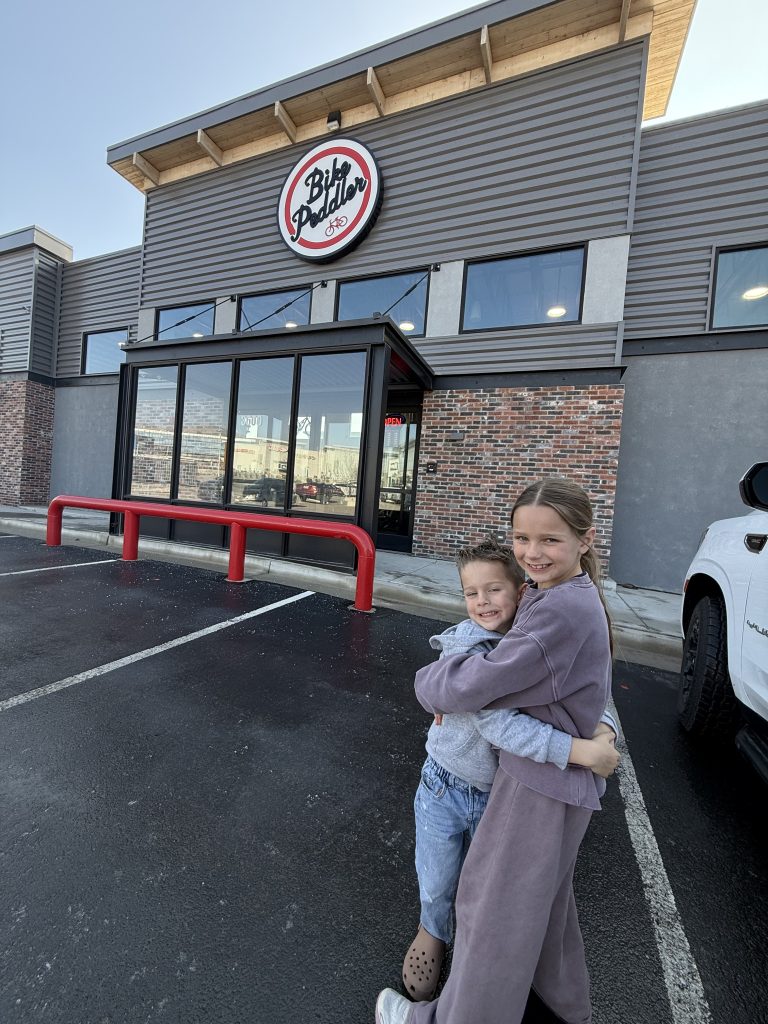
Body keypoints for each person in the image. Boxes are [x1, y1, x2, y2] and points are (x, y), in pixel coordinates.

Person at [376, 478, 617, 1024]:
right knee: (542, 902)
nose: (533, 552)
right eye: (522, 538)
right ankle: (562, 1004)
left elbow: (475, 690)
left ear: (584, 539)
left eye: (550, 539)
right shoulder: (559, 595)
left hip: (537, 783)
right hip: (534, 780)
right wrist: (598, 736)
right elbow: (588, 680)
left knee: (492, 915)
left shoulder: (552, 612)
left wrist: (428, 683)